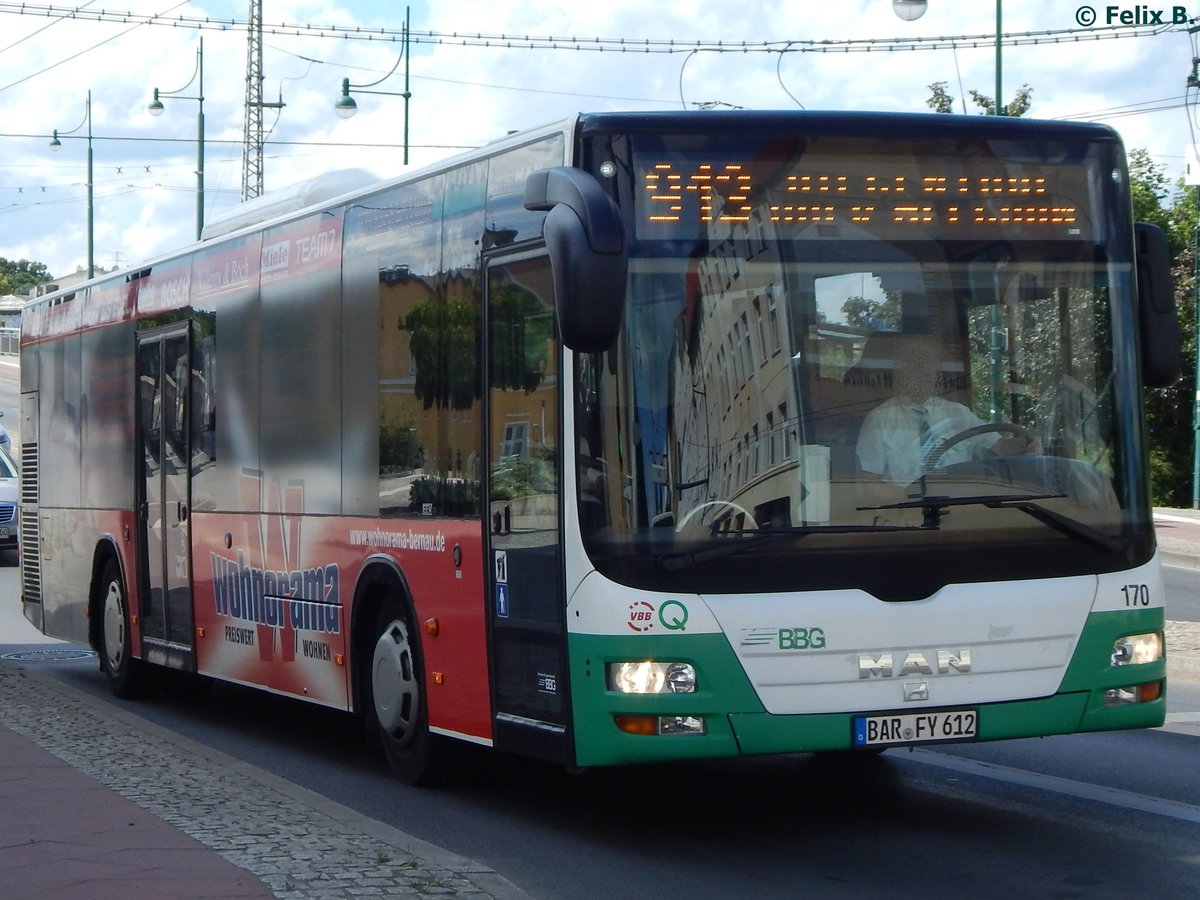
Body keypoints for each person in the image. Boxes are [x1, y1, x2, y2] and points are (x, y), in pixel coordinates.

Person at [855, 333, 1036, 487]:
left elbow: (999, 446)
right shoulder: (879, 420)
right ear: (898, 370)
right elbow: (870, 486)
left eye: (929, 364)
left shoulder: (959, 414)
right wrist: (912, 496)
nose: (922, 371)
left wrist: (1027, 443)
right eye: (913, 364)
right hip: (905, 515)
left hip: (959, 510)